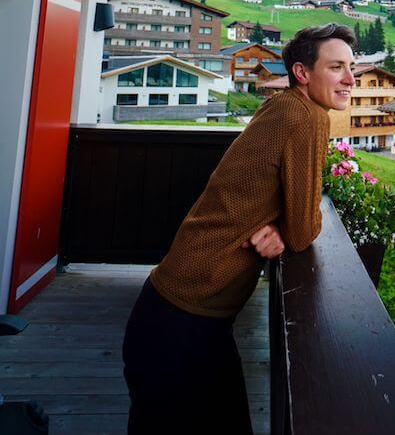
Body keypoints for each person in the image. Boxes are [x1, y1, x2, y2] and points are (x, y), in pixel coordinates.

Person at [122, 22, 356, 433]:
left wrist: (279, 223)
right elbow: (304, 229)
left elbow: (279, 205)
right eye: (337, 67)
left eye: (350, 68)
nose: (350, 79)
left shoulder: (284, 105)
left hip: (179, 311)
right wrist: (288, 225)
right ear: (303, 73)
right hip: (182, 320)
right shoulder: (304, 117)